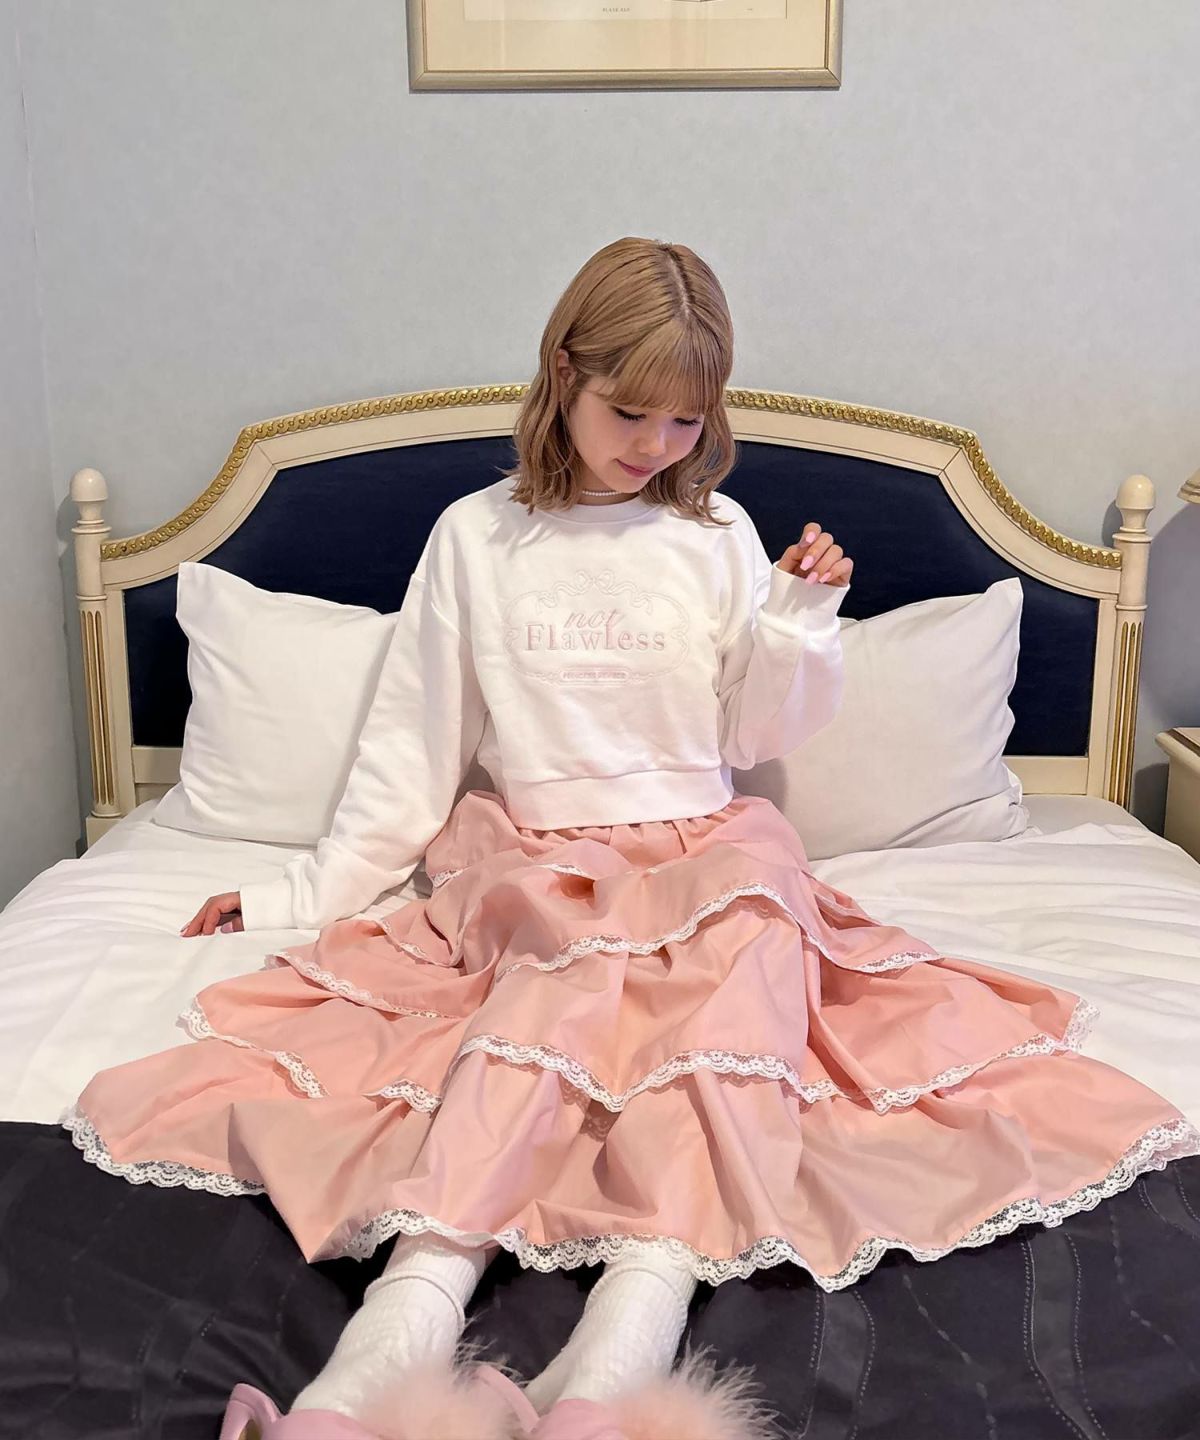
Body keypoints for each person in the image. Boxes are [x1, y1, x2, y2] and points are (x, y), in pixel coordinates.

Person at [67, 238, 1199, 1440]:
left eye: (684, 420)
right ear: (565, 372)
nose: (655, 444)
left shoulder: (716, 535)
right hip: (540, 858)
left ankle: (613, 1370)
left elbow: (756, 734)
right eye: (629, 411)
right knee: (531, 1026)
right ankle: (368, 1369)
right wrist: (299, 896)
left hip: (709, 854)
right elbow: (411, 749)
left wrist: (797, 620)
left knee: (730, 1002)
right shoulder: (477, 537)